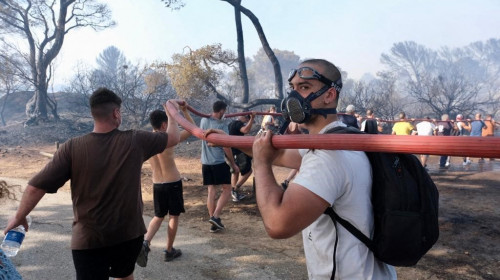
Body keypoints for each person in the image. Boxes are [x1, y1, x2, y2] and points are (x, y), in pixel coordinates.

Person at [3, 88, 180, 280]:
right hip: (128, 235)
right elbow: (173, 137)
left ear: (93, 113)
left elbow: (36, 186)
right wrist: (172, 112)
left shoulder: (71, 147)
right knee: (125, 275)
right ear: (116, 113)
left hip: (89, 240)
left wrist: (20, 217)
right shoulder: (135, 140)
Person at [251, 59, 396, 279]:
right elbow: (279, 154)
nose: (293, 97)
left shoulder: (327, 156)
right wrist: (226, 140)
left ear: (329, 95)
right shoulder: (343, 136)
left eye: (305, 87)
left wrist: (260, 163)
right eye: (294, 88)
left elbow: (277, 224)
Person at [136, 103, 195, 267]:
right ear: (163, 125)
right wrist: (184, 111)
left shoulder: (148, 140)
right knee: (173, 216)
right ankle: (169, 250)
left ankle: (145, 243)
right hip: (173, 183)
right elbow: (192, 128)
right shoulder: (169, 139)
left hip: (157, 184)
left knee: (158, 216)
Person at [200, 100, 239, 233]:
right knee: (227, 189)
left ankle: (213, 222)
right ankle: (216, 217)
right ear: (222, 110)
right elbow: (227, 145)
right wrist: (233, 164)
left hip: (205, 162)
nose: (225, 113)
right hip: (218, 162)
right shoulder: (222, 125)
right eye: (225, 111)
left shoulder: (203, 120)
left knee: (211, 191)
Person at [228, 113, 256, 202]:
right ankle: (235, 188)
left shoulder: (231, 123)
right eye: (247, 119)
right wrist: (252, 118)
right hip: (239, 152)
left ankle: (234, 193)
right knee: (248, 171)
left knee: (235, 171)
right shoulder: (238, 123)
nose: (247, 122)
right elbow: (245, 130)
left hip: (232, 151)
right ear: (244, 117)